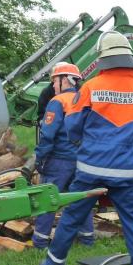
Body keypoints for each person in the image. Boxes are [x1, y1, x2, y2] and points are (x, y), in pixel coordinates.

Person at [38, 31, 133, 265]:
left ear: (104, 58)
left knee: (70, 221)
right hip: (128, 174)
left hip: (91, 170)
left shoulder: (90, 87)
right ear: (129, 59)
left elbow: (72, 127)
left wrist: (88, 144)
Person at [32, 62, 94, 249]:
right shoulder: (84, 99)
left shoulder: (56, 102)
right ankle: (87, 239)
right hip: (82, 160)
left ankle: (40, 241)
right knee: (80, 198)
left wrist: (40, 158)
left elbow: (48, 134)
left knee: (47, 200)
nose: (52, 85)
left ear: (64, 80)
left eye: (54, 81)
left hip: (58, 160)